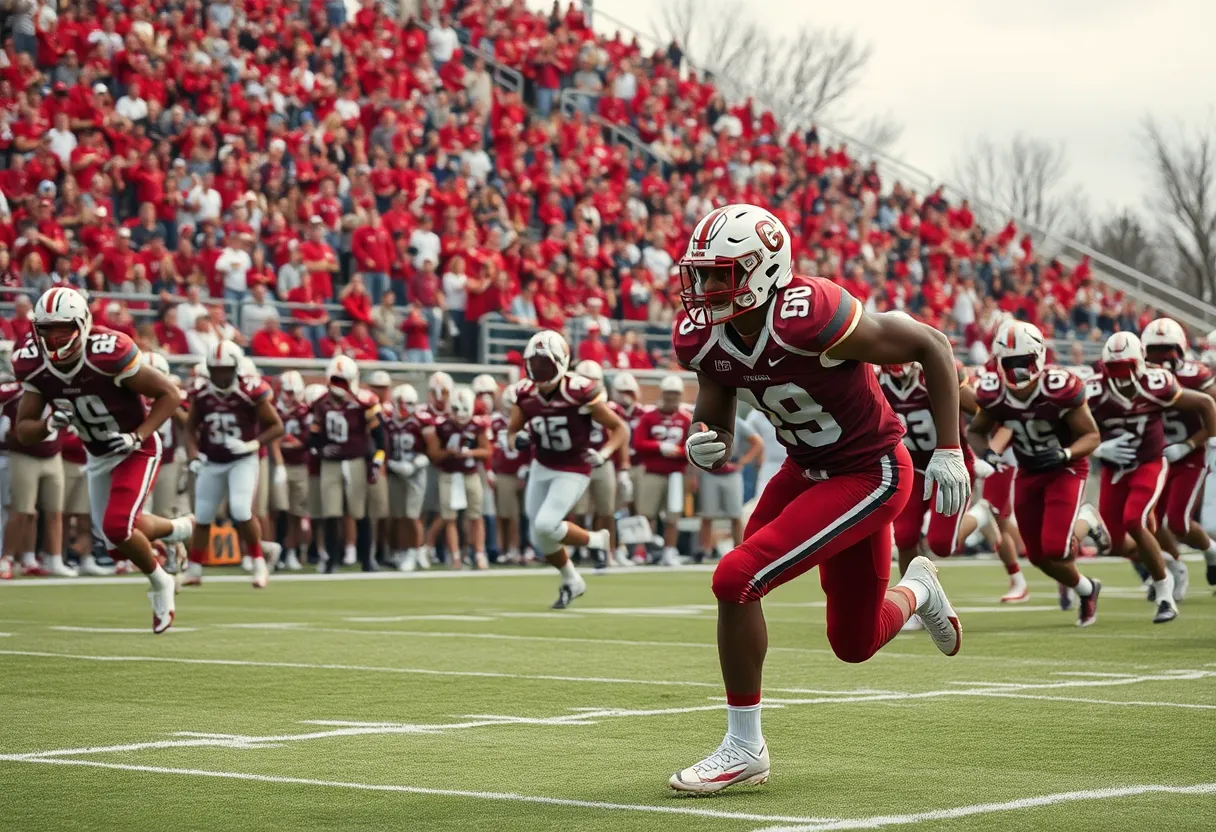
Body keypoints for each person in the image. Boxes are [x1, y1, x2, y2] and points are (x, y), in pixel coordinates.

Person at [669, 204, 969, 793]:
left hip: (870, 472)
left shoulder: (813, 315)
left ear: (763, 268)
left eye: (721, 273)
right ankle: (920, 589)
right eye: (701, 274)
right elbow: (716, 406)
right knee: (854, 643)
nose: (706, 288)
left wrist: (951, 449)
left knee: (736, 577)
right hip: (805, 469)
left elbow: (931, 344)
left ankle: (743, 746)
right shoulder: (704, 335)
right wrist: (707, 440)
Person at [13, 286, 194, 633]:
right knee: (116, 544)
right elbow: (24, 429)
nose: (54, 338)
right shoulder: (31, 362)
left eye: (63, 328)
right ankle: (178, 530)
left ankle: (161, 583)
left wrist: (137, 435)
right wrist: (50, 423)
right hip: (97, 454)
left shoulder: (109, 351)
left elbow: (170, 395)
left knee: (117, 526)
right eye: (46, 329)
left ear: (82, 324)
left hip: (134, 448)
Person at [968, 321, 1106, 626]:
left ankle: (1087, 519)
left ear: (1040, 358)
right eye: (1011, 364)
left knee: (1056, 547)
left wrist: (1065, 453)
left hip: (1065, 469)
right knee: (1038, 556)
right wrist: (989, 453)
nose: (1018, 372)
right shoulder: (994, 392)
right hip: (1029, 472)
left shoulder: (1059, 387)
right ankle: (1087, 589)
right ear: (1000, 365)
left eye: (1025, 363)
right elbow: (975, 431)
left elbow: (1091, 436)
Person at [1087, 332, 1215, 621]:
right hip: (1115, 468)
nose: (1121, 376)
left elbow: (1207, 404)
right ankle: (1169, 561)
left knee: (1136, 520)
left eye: (1126, 367)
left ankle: (1165, 594)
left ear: (1140, 365)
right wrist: (1098, 447)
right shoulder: (1094, 391)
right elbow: (1075, 429)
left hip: (1150, 462)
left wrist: (1198, 443)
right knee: (1113, 543)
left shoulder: (1157, 383)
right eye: (1114, 368)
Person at [508, 330, 627, 608]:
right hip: (542, 464)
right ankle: (572, 579)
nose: (538, 369)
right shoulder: (525, 393)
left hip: (573, 468)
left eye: (544, 363)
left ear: (561, 362)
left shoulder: (579, 391)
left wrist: (605, 453)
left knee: (546, 524)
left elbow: (620, 428)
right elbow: (512, 431)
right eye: (534, 363)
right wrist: (517, 441)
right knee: (538, 535)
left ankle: (597, 539)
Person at [181, 341, 284, 589]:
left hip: (242, 460)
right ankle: (194, 568)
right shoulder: (202, 393)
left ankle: (258, 562)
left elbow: (276, 425)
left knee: (240, 510)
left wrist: (252, 445)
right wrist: (194, 455)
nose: (220, 375)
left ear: (236, 367)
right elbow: (190, 428)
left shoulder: (249, 392)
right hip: (212, 461)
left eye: (225, 369)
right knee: (203, 515)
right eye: (215, 369)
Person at [1141, 318, 1216, 589]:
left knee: (1178, 521)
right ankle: (1174, 566)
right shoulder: (1139, 377)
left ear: (1181, 349)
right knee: (1149, 520)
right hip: (1154, 457)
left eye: (1168, 350)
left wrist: (1189, 444)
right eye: (1155, 351)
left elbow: (1214, 416)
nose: (1162, 358)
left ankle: (1211, 552)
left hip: (1191, 454)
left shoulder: (1195, 375)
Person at [310, 355, 385, 572]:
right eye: (336, 380)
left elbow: (380, 437)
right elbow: (313, 437)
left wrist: (376, 462)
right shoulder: (321, 403)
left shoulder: (364, 402)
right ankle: (332, 560)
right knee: (331, 512)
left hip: (355, 460)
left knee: (359, 512)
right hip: (331, 462)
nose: (339, 386)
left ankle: (367, 560)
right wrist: (320, 449)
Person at [424, 386, 491, 569]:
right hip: (449, 475)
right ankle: (454, 557)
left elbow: (487, 451)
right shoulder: (442, 425)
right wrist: (448, 452)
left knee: (476, 516)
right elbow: (434, 454)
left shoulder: (477, 425)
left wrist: (471, 453)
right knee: (450, 518)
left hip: (470, 474)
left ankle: (478, 554)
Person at [573, 361, 631, 564]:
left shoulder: (610, 406)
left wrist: (622, 466)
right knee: (578, 510)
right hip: (578, 463)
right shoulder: (569, 404)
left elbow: (621, 434)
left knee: (606, 510)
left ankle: (606, 550)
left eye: (593, 380)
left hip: (602, 461)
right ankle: (581, 548)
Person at [633, 375, 693, 566]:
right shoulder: (649, 417)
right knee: (646, 514)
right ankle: (642, 551)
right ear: (662, 393)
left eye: (675, 394)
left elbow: (693, 448)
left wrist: (678, 451)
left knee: (672, 516)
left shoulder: (686, 419)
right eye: (668, 393)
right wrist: (659, 446)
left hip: (676, 473)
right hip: (652, 471)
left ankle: (669, 551)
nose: (671, 397)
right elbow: (638, 443)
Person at [696, 411, 763, 564]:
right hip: (709, 469)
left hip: (730, 469)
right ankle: (704, 550)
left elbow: (757, 442)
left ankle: (738, 549)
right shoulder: (704, 423)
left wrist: (742, 462)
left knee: (735, 514)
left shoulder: (737, 422)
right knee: (707, 513)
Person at [385, 384, 430, 572]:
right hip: (395, 473)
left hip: (416, 473)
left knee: (412, 516)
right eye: (405, 403)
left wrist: (414, 465)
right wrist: (391, 464)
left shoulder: (421, 422)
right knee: (397, 516)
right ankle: (400, 550)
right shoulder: (388, 423)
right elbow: (382, 448)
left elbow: (431, 451)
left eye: (411, 403)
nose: (408, 408)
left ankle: (414, 550)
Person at [272, 370, 310, 571]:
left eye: (293, 392)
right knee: (280, 511)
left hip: (299, 466)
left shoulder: (305, 412)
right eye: (286, 392)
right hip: (280, 466)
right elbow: (273, 439)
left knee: (297, 512)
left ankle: (292, 552)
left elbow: (304, 440)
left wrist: (287, 443)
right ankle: (279, 552)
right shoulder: (274, 410)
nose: (289, 397)